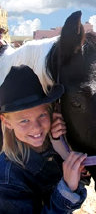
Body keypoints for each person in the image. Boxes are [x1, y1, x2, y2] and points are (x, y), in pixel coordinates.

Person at [0, 64, 87, 214]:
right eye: (24, 121)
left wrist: (61, 145)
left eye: (42, 115)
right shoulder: (7, 177)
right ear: (7, 122)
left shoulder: (55, 146)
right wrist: (67, 188)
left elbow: (82, 180)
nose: (36, 128)